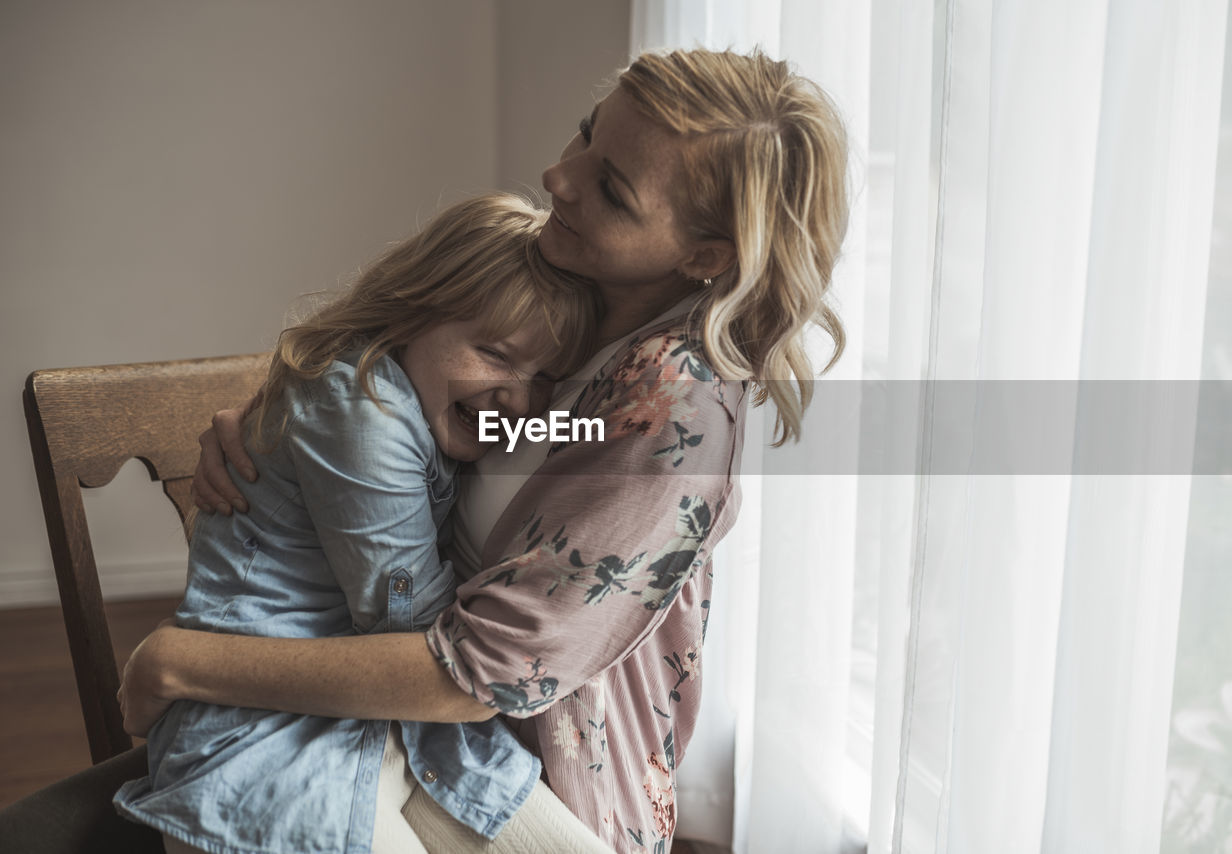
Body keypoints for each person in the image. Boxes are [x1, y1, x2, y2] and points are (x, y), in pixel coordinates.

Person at [0, 48, 849, 854]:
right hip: (349, 716)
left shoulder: (671, 412)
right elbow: (447, 396)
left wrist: (186, 662)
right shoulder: (577, 307)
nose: (556, 176)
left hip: (507, 754)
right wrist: (293, 414)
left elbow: (468, 676)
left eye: (614, 191)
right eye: (587, 131)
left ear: (705, 256)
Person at [113, 192, 609, 854]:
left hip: (394, 721)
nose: (516, 398)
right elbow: (400, 610)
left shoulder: (429, 403)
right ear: (412, 313)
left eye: (544, 377)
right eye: (494, 354)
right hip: (263, 731)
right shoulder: (363, 407)